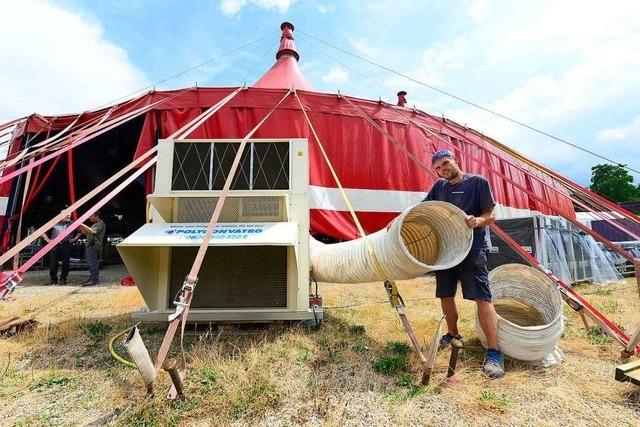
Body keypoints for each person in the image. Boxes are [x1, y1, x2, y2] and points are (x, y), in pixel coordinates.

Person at [423, 149, 504, 379]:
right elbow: (424, 208)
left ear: (455, 161)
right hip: (447, 250)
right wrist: (399, 220)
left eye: (445, 164)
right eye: (438, 167)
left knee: (482, 298)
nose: (442, 170)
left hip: (473, 248)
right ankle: (453, 335)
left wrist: (477, 220)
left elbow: (491, 216)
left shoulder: (477, 182)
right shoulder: (439, 187)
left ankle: (494, 353)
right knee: (445, 294)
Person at [42, 210, 77, 285]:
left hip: (66, 244)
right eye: (66, 215)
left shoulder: (72, 223)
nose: (68, 216)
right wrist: (48, 240)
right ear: (61, 215)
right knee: (53, 262)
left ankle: (63, 279)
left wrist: (75, 238)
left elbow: (81, 231)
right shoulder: (54, 222)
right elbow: (42, 231)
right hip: (55, 244)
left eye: (69, 215)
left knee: (66, 262)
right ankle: (53, 280)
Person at [78, 211, 105, 286]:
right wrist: (80, 226)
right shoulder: (95, 224)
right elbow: (85, 232)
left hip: (94, 246)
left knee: (93, 264)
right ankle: (92, 278)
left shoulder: (101, 224)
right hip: (90, 246)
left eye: (91, 216)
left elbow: (92, 231)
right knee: (91, 263)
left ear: (97, 216)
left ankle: (94, 280)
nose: (89, 217)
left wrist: (82, 224)